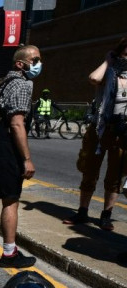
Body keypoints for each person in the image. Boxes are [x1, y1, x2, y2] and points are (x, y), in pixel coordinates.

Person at [0, 45, 40, 268]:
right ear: (20, 64)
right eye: (35, 59)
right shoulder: (22, 84)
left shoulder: (0, 84)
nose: (39, 63)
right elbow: (16, 123)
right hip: (5, 149)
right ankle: (9, 254)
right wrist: (26, 158)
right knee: (10, 201)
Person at [62, 37, 127, 232]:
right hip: (100, 127)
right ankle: (83, 211)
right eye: (125, 52)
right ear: (119, 52)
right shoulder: (109, 72)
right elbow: (93, 78)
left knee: (116, 175)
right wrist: (108, 60)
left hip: (122, 133)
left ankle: (106, 215)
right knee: (90, 170)